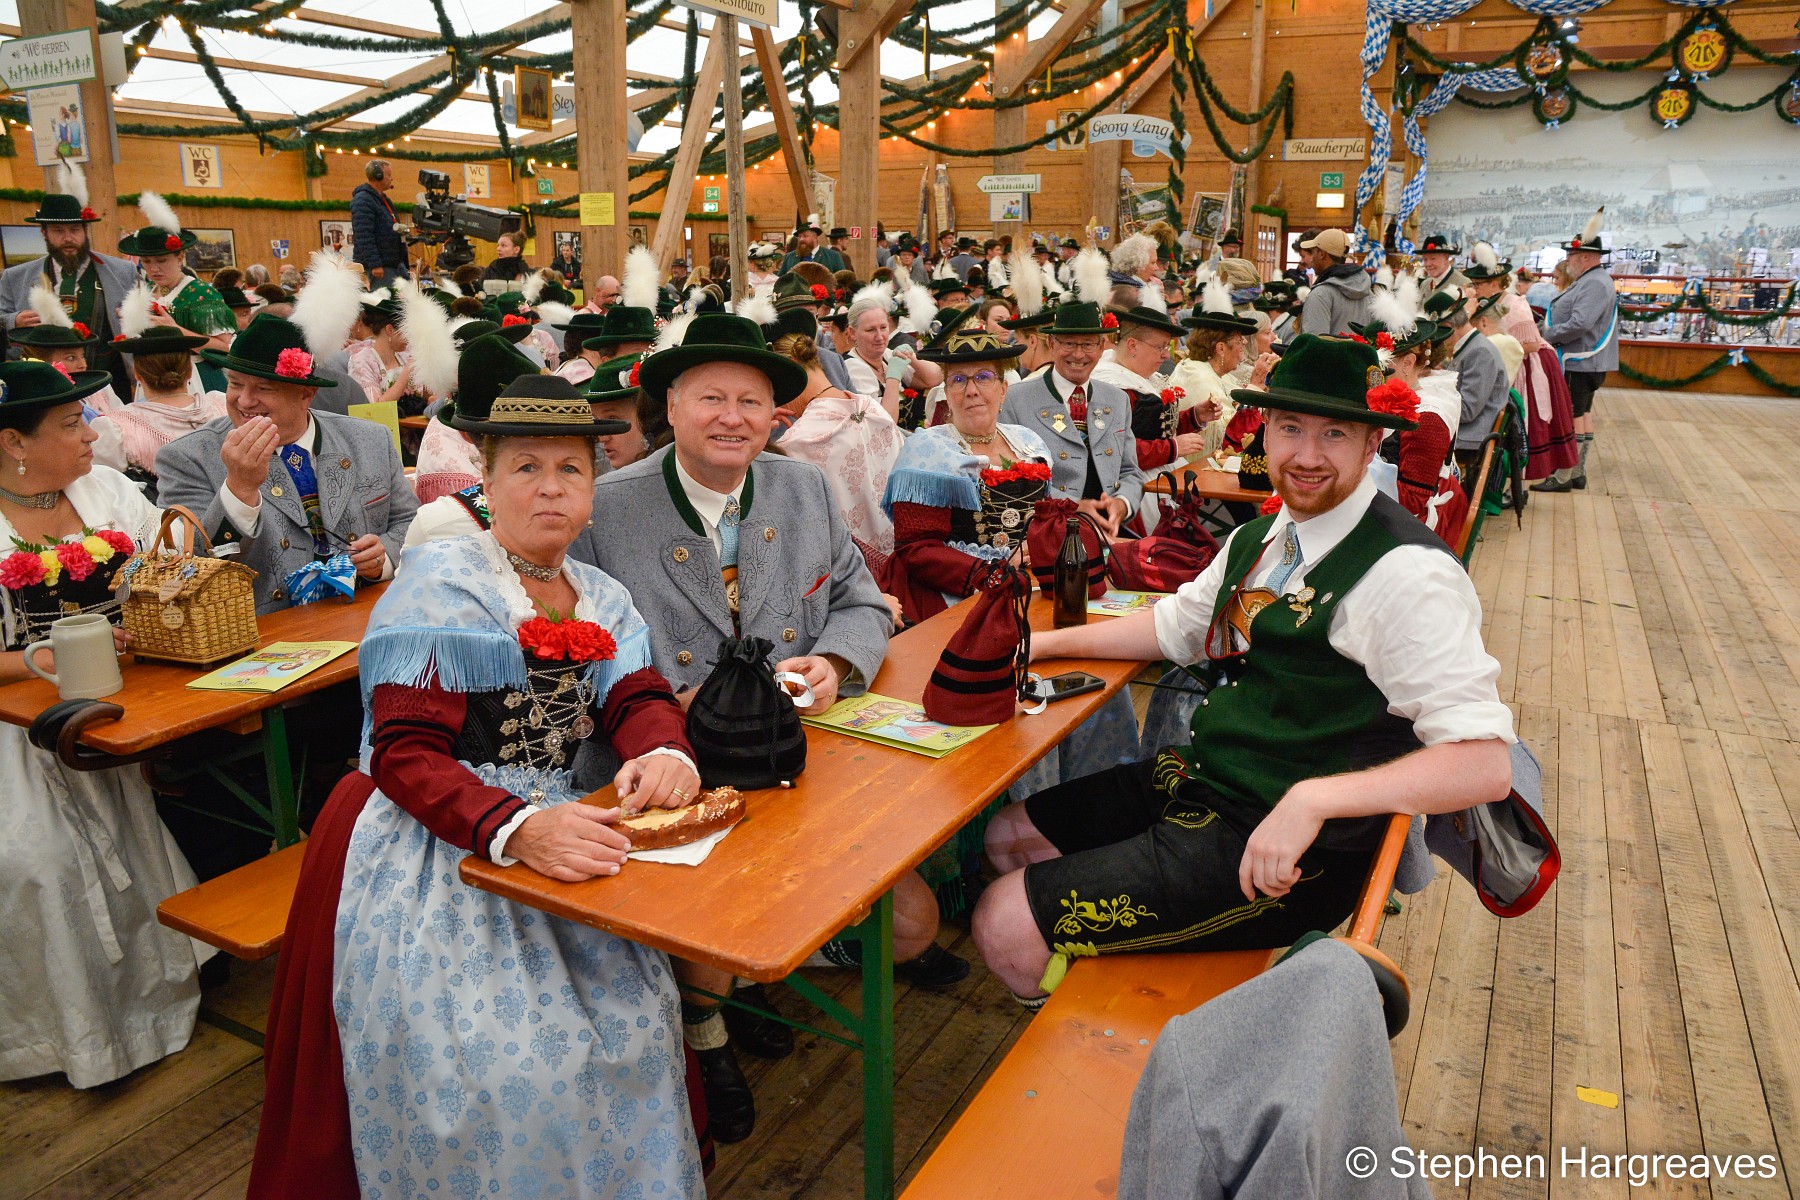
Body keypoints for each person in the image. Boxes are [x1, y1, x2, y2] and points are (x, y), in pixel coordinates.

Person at [250, 375, 705, 1198]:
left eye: (570, 470)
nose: (550, 489)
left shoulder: (600, 593)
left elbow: (636, 697)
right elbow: (404, 753)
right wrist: (516, 828)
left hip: (553, 823)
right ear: (486, 482)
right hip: (434, 838)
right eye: (526, 467)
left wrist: (667, 752)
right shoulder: (445, 582)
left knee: (635, 1023)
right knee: (500, 1068)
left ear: (593, 489)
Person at [970, 334, 1515, 1006]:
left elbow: (1484, 764)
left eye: (1335, 434)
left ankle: (1096, 1038)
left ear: (1372, 444)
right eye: (1290, 428)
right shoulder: (1265, 536)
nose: (1306, 455)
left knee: (1002, 922)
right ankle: (1080, 990)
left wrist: (1314, 800)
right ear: (1266, 430)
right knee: (1009, 838)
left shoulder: (1408, 573)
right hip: (1213, 779)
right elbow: (1177, 627)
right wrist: (1042, 645)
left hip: (1299, 850)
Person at [568, 313, 960, 1143]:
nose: (732, 417)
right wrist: (664, 706)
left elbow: (859, 602)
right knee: (717, 917)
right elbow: (582, 660)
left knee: (915, 926)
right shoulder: (605, 509)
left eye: (750, 401)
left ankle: (741, 979)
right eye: (710, 398)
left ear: (774, 414)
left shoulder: (800, 487)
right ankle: (705, 1028)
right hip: (670, 767)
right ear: (669, 408)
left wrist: (836, 664)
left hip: (798, 759)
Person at [0, 359, 207, 1089]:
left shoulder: (108, 491)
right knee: (42, 861)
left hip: (124, 704)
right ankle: (62, 1038)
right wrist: (46, 660)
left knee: (139, 827)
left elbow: (170, 567)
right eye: (70, 424)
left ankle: (152, 1013)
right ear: (13, 442)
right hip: (15, 724)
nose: (92, 433)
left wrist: (164, 587)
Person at [155, 313, 417, 612]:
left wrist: (384, 557)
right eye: (235, 384)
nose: (244, 401)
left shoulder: (369, 439)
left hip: (369, 615)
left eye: (264, 388)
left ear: (306, 394)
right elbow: (193, 567)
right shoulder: (187, 457)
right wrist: (239, 488)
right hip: (262, 631)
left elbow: (409, 523)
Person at [882, 326, 1050, 624]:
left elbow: (1046, 519)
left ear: (1003, 389)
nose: (971, 390)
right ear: (946, 393)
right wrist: (991, 573)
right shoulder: (927, 450)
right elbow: (917, 550)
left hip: (1031, 584)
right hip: (954, 594)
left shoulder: (1027, 441)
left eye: (983, 377)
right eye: (958, 380)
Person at [768, 307, 902, 559]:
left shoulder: (797, 443)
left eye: (775, 385)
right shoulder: (875, 410)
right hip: (899, 561)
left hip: (845, 571)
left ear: (792, 368)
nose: (775, 397)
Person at [0, 193, 139, 400]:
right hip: (44, 388)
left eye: (75, 230)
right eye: (58, 231)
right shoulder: (15, 277)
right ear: (44, 233)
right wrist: (13, 320)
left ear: (85, 230)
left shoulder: (122, 271)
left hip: (110, 384)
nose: (68, 238)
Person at [1463, 246, 1578, 483]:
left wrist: (1497, 346)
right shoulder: (1484, 302)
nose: (1476, 288)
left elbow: (1532, 344)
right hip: (1505, 363)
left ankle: (1518, 487)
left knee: (1525, 426)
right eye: (1474, 284)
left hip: (1529, 367)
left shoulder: (1515, 303)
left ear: (1495, 283)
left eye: (1479, 284)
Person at [1534, 210, 1617, 493]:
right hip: (1586, 361)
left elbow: (1580, 323)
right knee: (1582, 415)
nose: (1567, 260)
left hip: (1579, 360)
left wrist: (1545, 335)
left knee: (1571, 417)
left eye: (1571, 255)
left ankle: (1563, 476)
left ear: (1586, 257)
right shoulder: (1594, 279)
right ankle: (1577, 472)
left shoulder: (1594, 282)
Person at [91, 326, 226, 496]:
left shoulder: (115, 427)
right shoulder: (222, 404)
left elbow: (105, 489)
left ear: (137, 374)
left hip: (162, 512)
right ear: (190, 371)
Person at [1089, 303, 1200, 476]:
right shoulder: (1111, 385)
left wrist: (1195, 416)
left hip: (1158, 470)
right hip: (1129, 480)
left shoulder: (1147, 378)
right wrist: (1172, 448)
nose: (1166, 355)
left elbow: (1155, 426)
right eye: (1160, 347)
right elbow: (1113, 448)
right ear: (1133, 346)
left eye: (1167, 347)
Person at [1167, 284, 1265, 461]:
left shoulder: (1214, 372)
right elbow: (1231, 438)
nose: (1243, 348)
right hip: (1195, 468)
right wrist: (1255, 386)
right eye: (1239, 342)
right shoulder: (1198, 376)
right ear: (1221, 348)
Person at [841, 287, 942, 428]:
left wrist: (913, 359)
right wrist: (893, 378)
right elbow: (884, 423)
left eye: (883, 327)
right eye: (870, 330)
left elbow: (935, 378)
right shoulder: (853, 367)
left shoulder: (886, 355)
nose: (879, 336)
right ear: (852, 333)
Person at [344, 292, 416, 406]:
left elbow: (424, 395)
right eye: (405, 331)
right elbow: (375, 407)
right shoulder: (361, 361)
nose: (409, 337)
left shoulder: (404, 356)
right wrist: (407, 371)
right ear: (390, 329)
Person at [1297, 229, 1372, 335]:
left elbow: (1313, 342)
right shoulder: (1368, 292)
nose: (1312, 259)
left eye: (1313, 252)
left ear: (1322, 254)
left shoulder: (1320, 294)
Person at [349, 158, 408, 286]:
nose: (391, 178)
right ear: (378, 175)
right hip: (380, 267)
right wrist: (375, 264)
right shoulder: (363, 200)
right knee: (385, 298)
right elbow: (364, 235)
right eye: (389, 175)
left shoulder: (383, 200)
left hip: (394, 264)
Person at [780, 216, 846, 273]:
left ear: (815, 237)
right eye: (799, 237)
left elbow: (842, 280)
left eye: (805, 236)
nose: (801, 239)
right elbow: (781, 280)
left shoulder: (833, 256)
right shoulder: (789, 257)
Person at [1417, 234, 1469, 298]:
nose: (1428, 264)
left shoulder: (1463, 284)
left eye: (1433, 258)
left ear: (1446, 257)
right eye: (1425, 259)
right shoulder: (1424, 285)